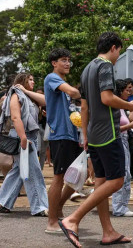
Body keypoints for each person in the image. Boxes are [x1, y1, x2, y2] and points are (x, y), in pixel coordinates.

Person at [59, 32, 133, 247]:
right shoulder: (105, 66)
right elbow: (107, 98)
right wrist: (130, 105)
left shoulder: (87, 69)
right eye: (119, 51)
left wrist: (85, 136)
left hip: (94, 135)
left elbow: (84, 106)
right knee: (117, 180)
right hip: (109, 133)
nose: (118, 56)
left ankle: (108, 232)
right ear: (114, 47)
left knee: (101, 183)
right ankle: (73, 219)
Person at [44, 48, 82, 233]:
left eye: (69, 60)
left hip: (71, 134)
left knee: (77, 176)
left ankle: (57, 209)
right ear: (54, 63)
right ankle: (51, 222)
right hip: (60, 134)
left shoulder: (60, 81)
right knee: (59, 177)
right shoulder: (52, 78)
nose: (67, 63)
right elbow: (74, 92)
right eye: (63, 60)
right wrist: (80, 93)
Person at [0, 73, 48, 216]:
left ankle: (3, 201)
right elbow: (15, 117)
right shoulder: (15, 95)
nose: (33, 82)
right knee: (33, 171)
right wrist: (23, 137)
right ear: (22, 81)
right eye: (30, 79)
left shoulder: (27, 95)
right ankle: (39, 206)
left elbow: (46, 100)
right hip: (23, 135)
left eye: (34, 79)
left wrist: (27, 91)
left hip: (29, 135)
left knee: (19, 171)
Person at [111, 79, 133, 217]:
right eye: (127, 90)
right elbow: (113, 128)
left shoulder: (121, 106)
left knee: (125, 173)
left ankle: (122, 205)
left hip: (123, 139)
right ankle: (119, 207)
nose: (129, 92)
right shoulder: (115, 106)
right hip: (118, 140)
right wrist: (130, 126)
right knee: (123, 174)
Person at [35, 87, 50, 169]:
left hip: (45, 128)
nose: (39, 95)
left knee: (43, 150)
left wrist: (46, 115)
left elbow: (52, 117)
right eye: (38, 93)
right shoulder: (33, 104)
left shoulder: (47, 104)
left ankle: (40, 169)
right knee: (37, 149)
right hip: (36, 129)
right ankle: (35, 169)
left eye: (41, 94)